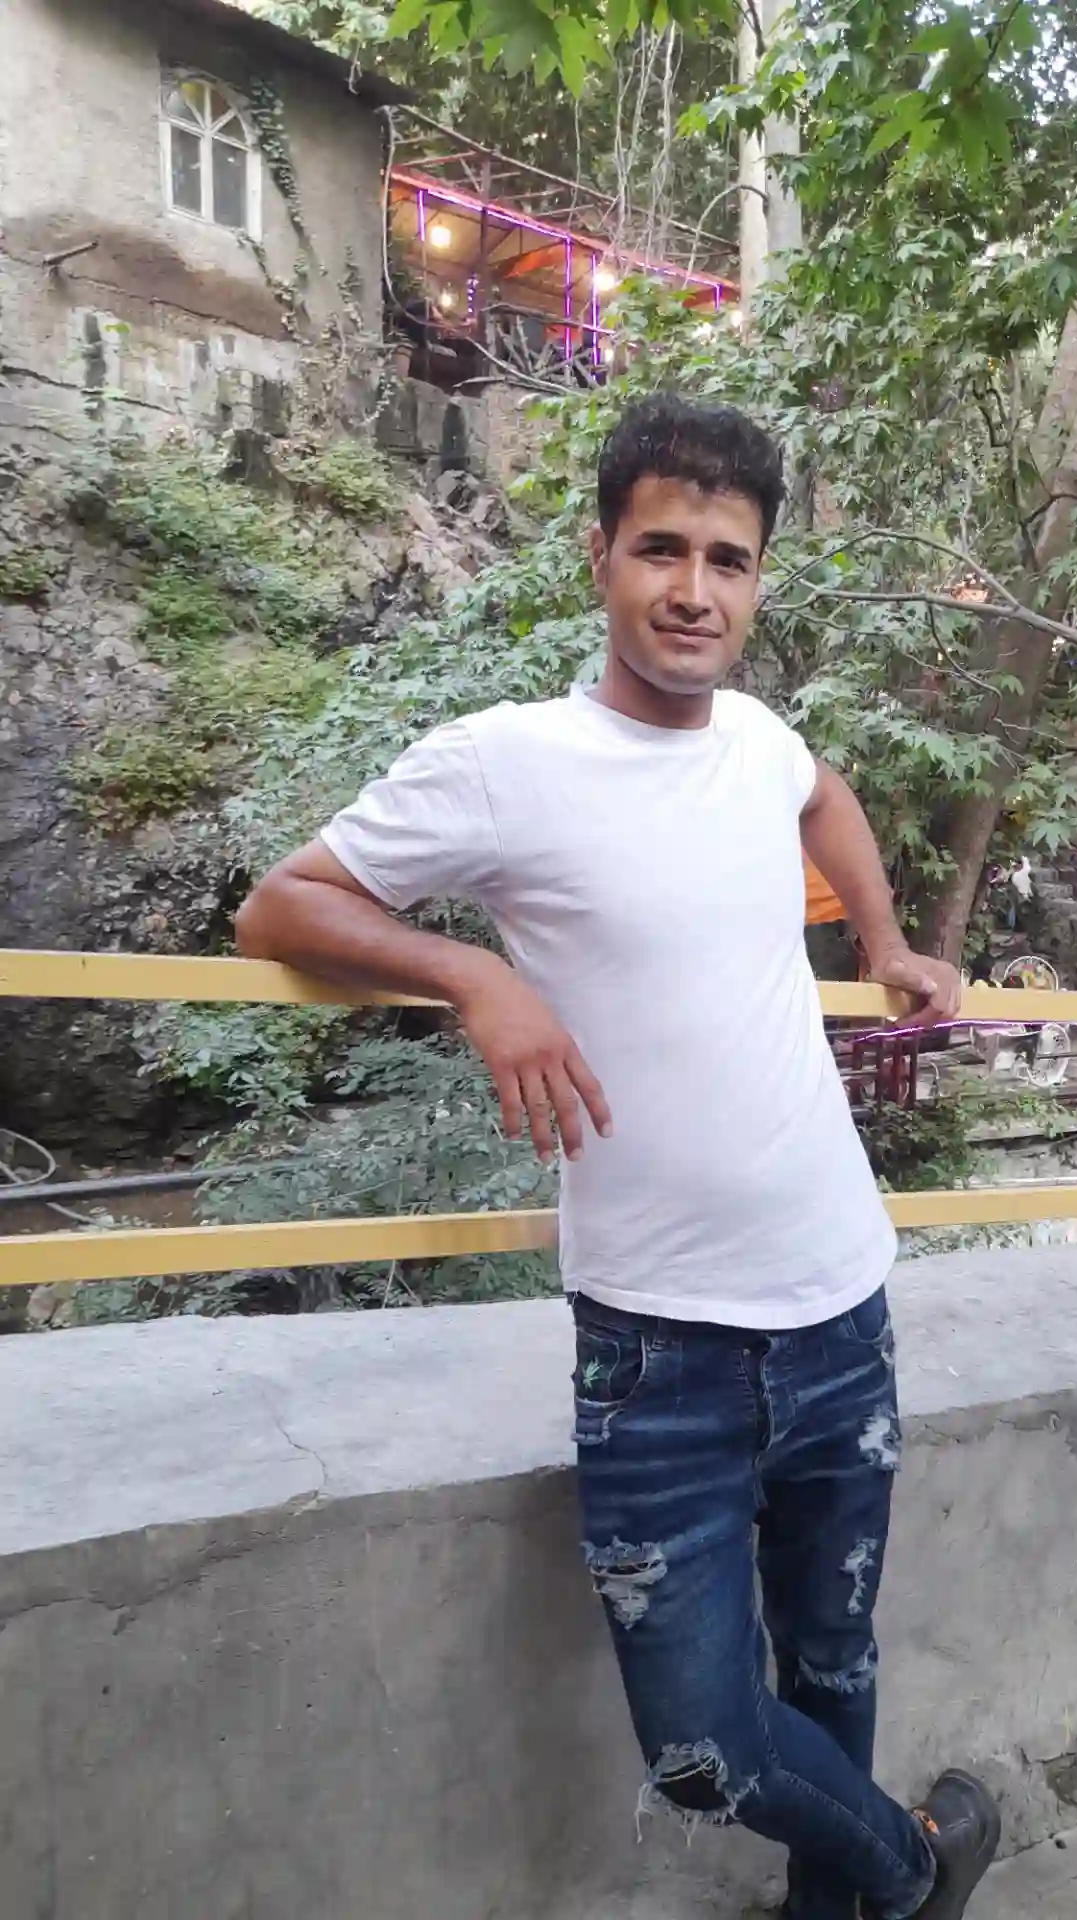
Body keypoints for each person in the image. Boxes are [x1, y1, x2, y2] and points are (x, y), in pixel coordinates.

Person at [234, 392, 1000, 1920]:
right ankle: (918, 1866)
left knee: (835, 1665)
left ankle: (843, 1908)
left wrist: (887, 940)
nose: (694, 589)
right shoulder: (510, 762)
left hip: (841, 1308)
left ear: (757, 579)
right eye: (663, 549)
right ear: (601, 556)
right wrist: (474, 975)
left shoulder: (762, 742)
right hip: (660, 1358)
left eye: (729, 559)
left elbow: (827, 797)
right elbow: (280, 908)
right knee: (704, 1748)